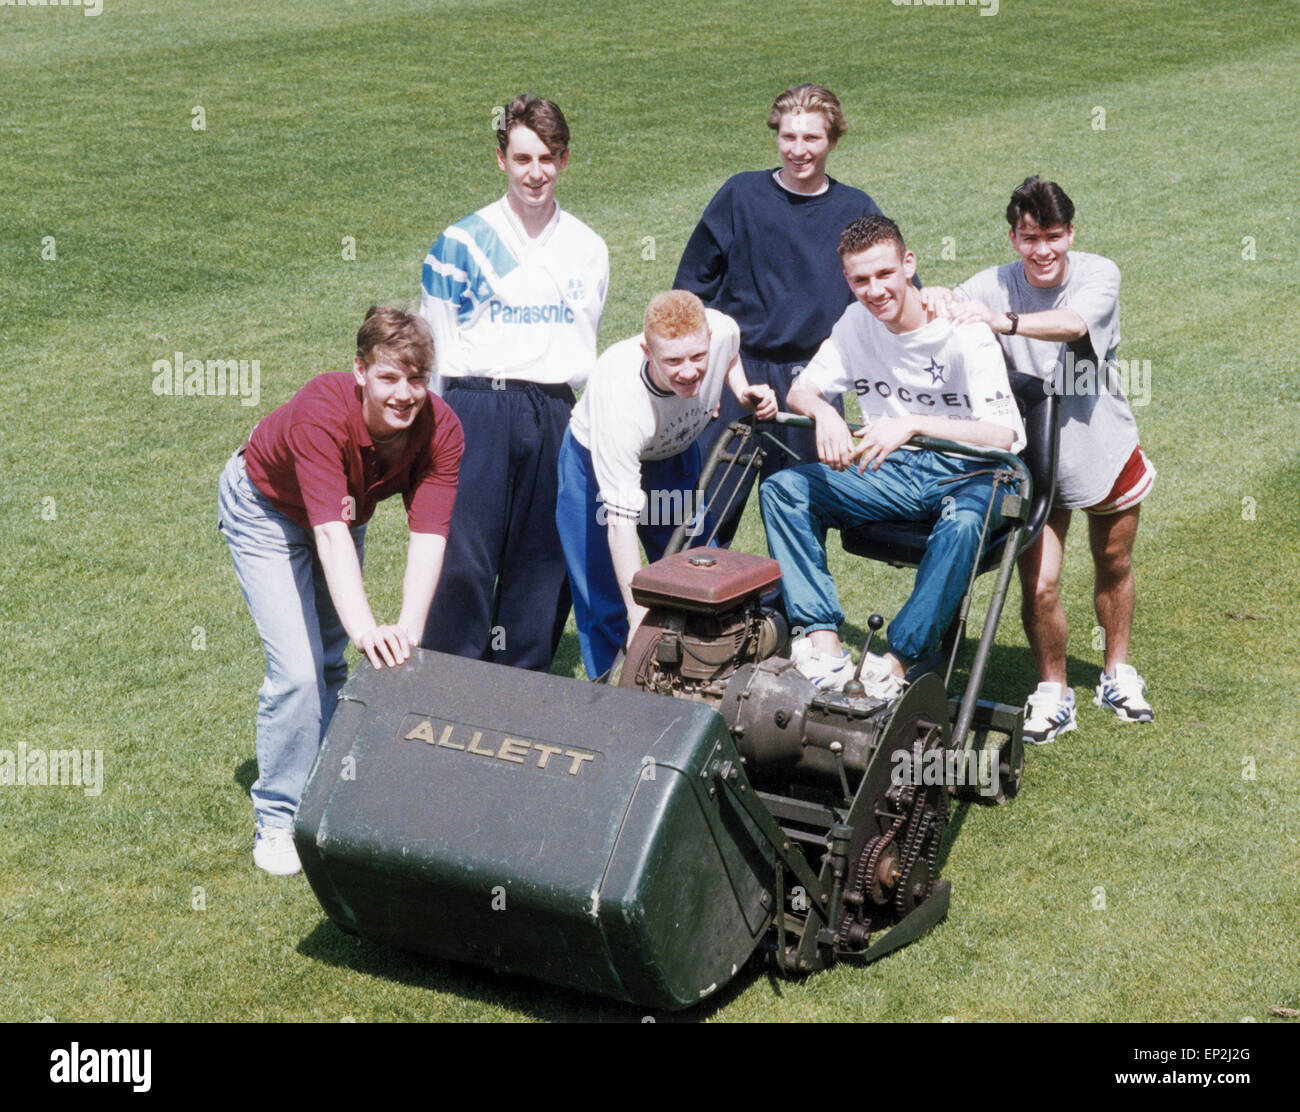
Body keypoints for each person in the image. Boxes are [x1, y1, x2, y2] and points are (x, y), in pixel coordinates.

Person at [218, 306, 463, 876]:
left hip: (343, 511)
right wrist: (365, 631)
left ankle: (324, 790)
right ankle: (277, 818)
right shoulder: (320, 414)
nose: (404, 394)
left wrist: (408, 628)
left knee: (331, 665)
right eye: (389, 378)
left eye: (417, 379)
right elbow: (327, 535)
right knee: (298, 672)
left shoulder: (442, 431)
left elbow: (429, 535)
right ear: (360, 371)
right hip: (265, 511)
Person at [760, 215, 1024, 694]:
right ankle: (824, 645)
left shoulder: (963, 329)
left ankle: (898, 662)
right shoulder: (855, 322)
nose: (874, 290)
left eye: (884, 274)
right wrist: (827, 414)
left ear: (909, 264)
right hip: (895, 472)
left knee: (963, 524)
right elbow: (802, 390)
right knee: (784, 489)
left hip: (973, 473)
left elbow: (1002, 434)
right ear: (847, 280)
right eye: (860, 280)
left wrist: (912, 424)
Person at [946, 177, 1155, 742]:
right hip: (1032, 457)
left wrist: (1001, 321)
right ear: (1013, 237)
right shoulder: (990, 283)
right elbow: (938, 309)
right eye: (1029, 237)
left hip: (1101, 446)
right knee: (1038, 585)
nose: (1042, 251)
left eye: (1053, 236)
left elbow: (1074, 325)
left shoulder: (1097, 273)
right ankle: (1053, 690)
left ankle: (1117, 671)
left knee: (1113, 562)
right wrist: (938, 298)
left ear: (1071, 234)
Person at [418, 93, 609, 671]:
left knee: (543, 564)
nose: (536, 172)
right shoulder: (460, 243)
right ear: (500, 157)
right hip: (476, 406)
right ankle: (448, 683)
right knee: (462, 559)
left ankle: (519, 690)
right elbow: (434, 347)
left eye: (548, 158)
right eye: (523, 158)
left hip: (556, 411)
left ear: (565, 160)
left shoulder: (588, 247)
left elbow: (583, 341)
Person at [674, 83, 904, 546]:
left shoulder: (854, 208)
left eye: (812, 139)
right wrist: (702, 373)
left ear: (833, 141)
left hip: (810, 384)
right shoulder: (740, 195)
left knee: (801, 520)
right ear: (777, 136)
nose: (799, 150)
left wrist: (941, 303)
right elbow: (690, 293)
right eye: (789, 137)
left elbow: (895, 294)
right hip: (737, 378)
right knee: (700, 518)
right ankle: (695, 614)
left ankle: (792, 619)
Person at [556, 291, 777, 678]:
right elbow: (620, 523)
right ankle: (617, 696)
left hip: (672, 457)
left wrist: (742, 391)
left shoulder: (722, 330)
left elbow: (729, 356)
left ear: (708, 337)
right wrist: (637, 613)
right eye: (672, 361)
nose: (689, 371)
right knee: (606, 599)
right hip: (593, 467)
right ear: (647, 351)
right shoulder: (620, 402)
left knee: (698, 569)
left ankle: (704, 676)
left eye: (697, 357)